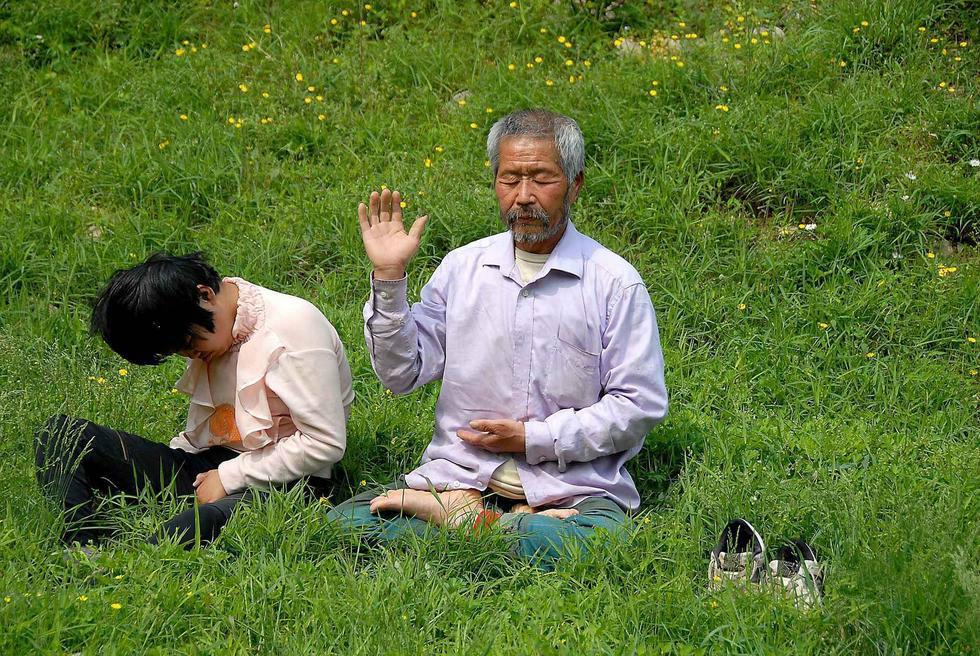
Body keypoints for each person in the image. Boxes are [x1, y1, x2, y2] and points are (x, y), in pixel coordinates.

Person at [328, 109, 668, 565]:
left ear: (575, 183)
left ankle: (465, 522)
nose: (523, 197)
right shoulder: (462, 268)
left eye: (541, 179)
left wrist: (533, 438)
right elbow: (400, 374)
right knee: (343, 526)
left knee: (603, 542)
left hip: (569, 490)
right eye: (510, 179)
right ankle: (496, 521)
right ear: (494, 182)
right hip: (463, 476)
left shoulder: (613, 282)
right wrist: (389, 278)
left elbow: (638, 405)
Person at [35, 253, 354, 550]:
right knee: (63, 435)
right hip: (210, 463)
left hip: (290, 480)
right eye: (178, 350)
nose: (189, 354)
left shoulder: (293, 328)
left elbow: (324, 443)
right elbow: (213, 427)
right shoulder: (217, 325)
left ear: (205, 294)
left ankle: (141, 557)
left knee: (192, 525)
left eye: (189, 342)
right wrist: (169, 463)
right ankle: (79, 546)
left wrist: (230, 478)